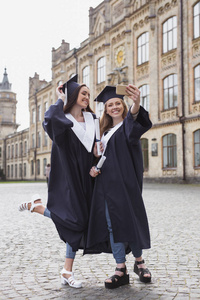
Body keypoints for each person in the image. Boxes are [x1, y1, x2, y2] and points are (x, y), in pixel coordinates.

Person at [18, 75, 100, 289]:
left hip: (87, 177)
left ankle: (37, 208)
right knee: (75, 221)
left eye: (89, 95)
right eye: (83, 93)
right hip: (67, 176)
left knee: (79, 221)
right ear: (73, 95)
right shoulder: (62, 119)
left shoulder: (93, 120)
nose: (87, 97)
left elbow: (96, 147)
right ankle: (67, 271)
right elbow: (49, 119)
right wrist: (61, 99)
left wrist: (96, 157)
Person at [87, 85, 152, 289]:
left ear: (123, 106)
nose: (114, 107)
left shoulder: (127, 126)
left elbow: (134, 121)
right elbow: (104, 158)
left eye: (117, 103)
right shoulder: (104, 133)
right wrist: (94, 167)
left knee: (130, 221)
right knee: (112, 225)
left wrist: (137, 103)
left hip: (125, 184)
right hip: (105, 185)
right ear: (105, 110)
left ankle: (139, 263)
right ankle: (120, 269)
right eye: (110, 105)